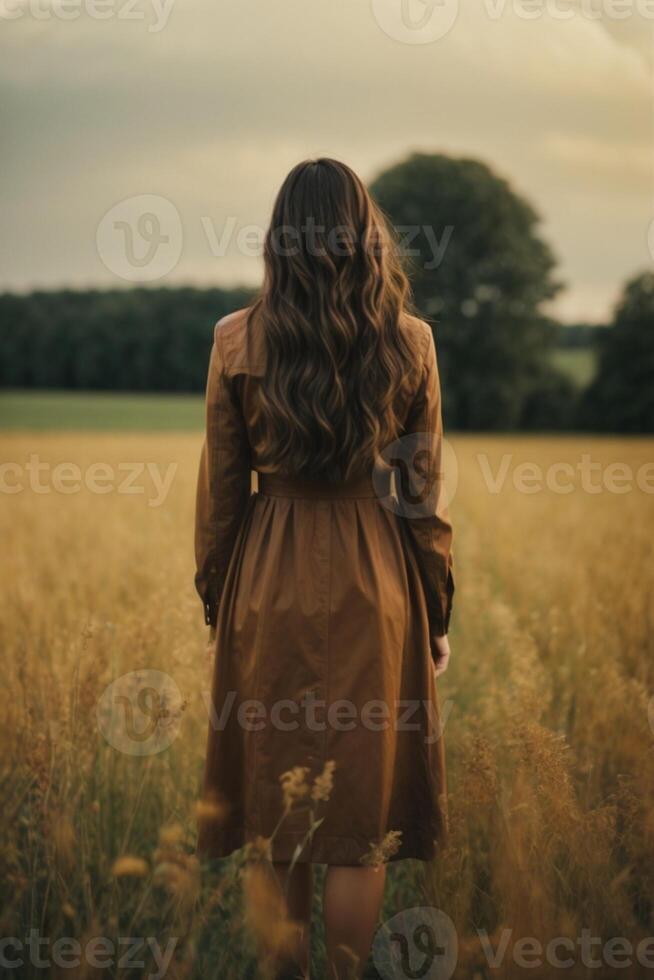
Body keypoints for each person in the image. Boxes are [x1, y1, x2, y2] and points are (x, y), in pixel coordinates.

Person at [194, 158, 455, 979]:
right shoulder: (411, 342)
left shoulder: (235, 338)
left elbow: (221, 496)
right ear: (367, 235)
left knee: (277, 805)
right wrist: (436, 611)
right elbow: (422, 496)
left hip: (266, 577)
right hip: (377, 576)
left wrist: (219, 602)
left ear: (280, 238)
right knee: (360, 812)